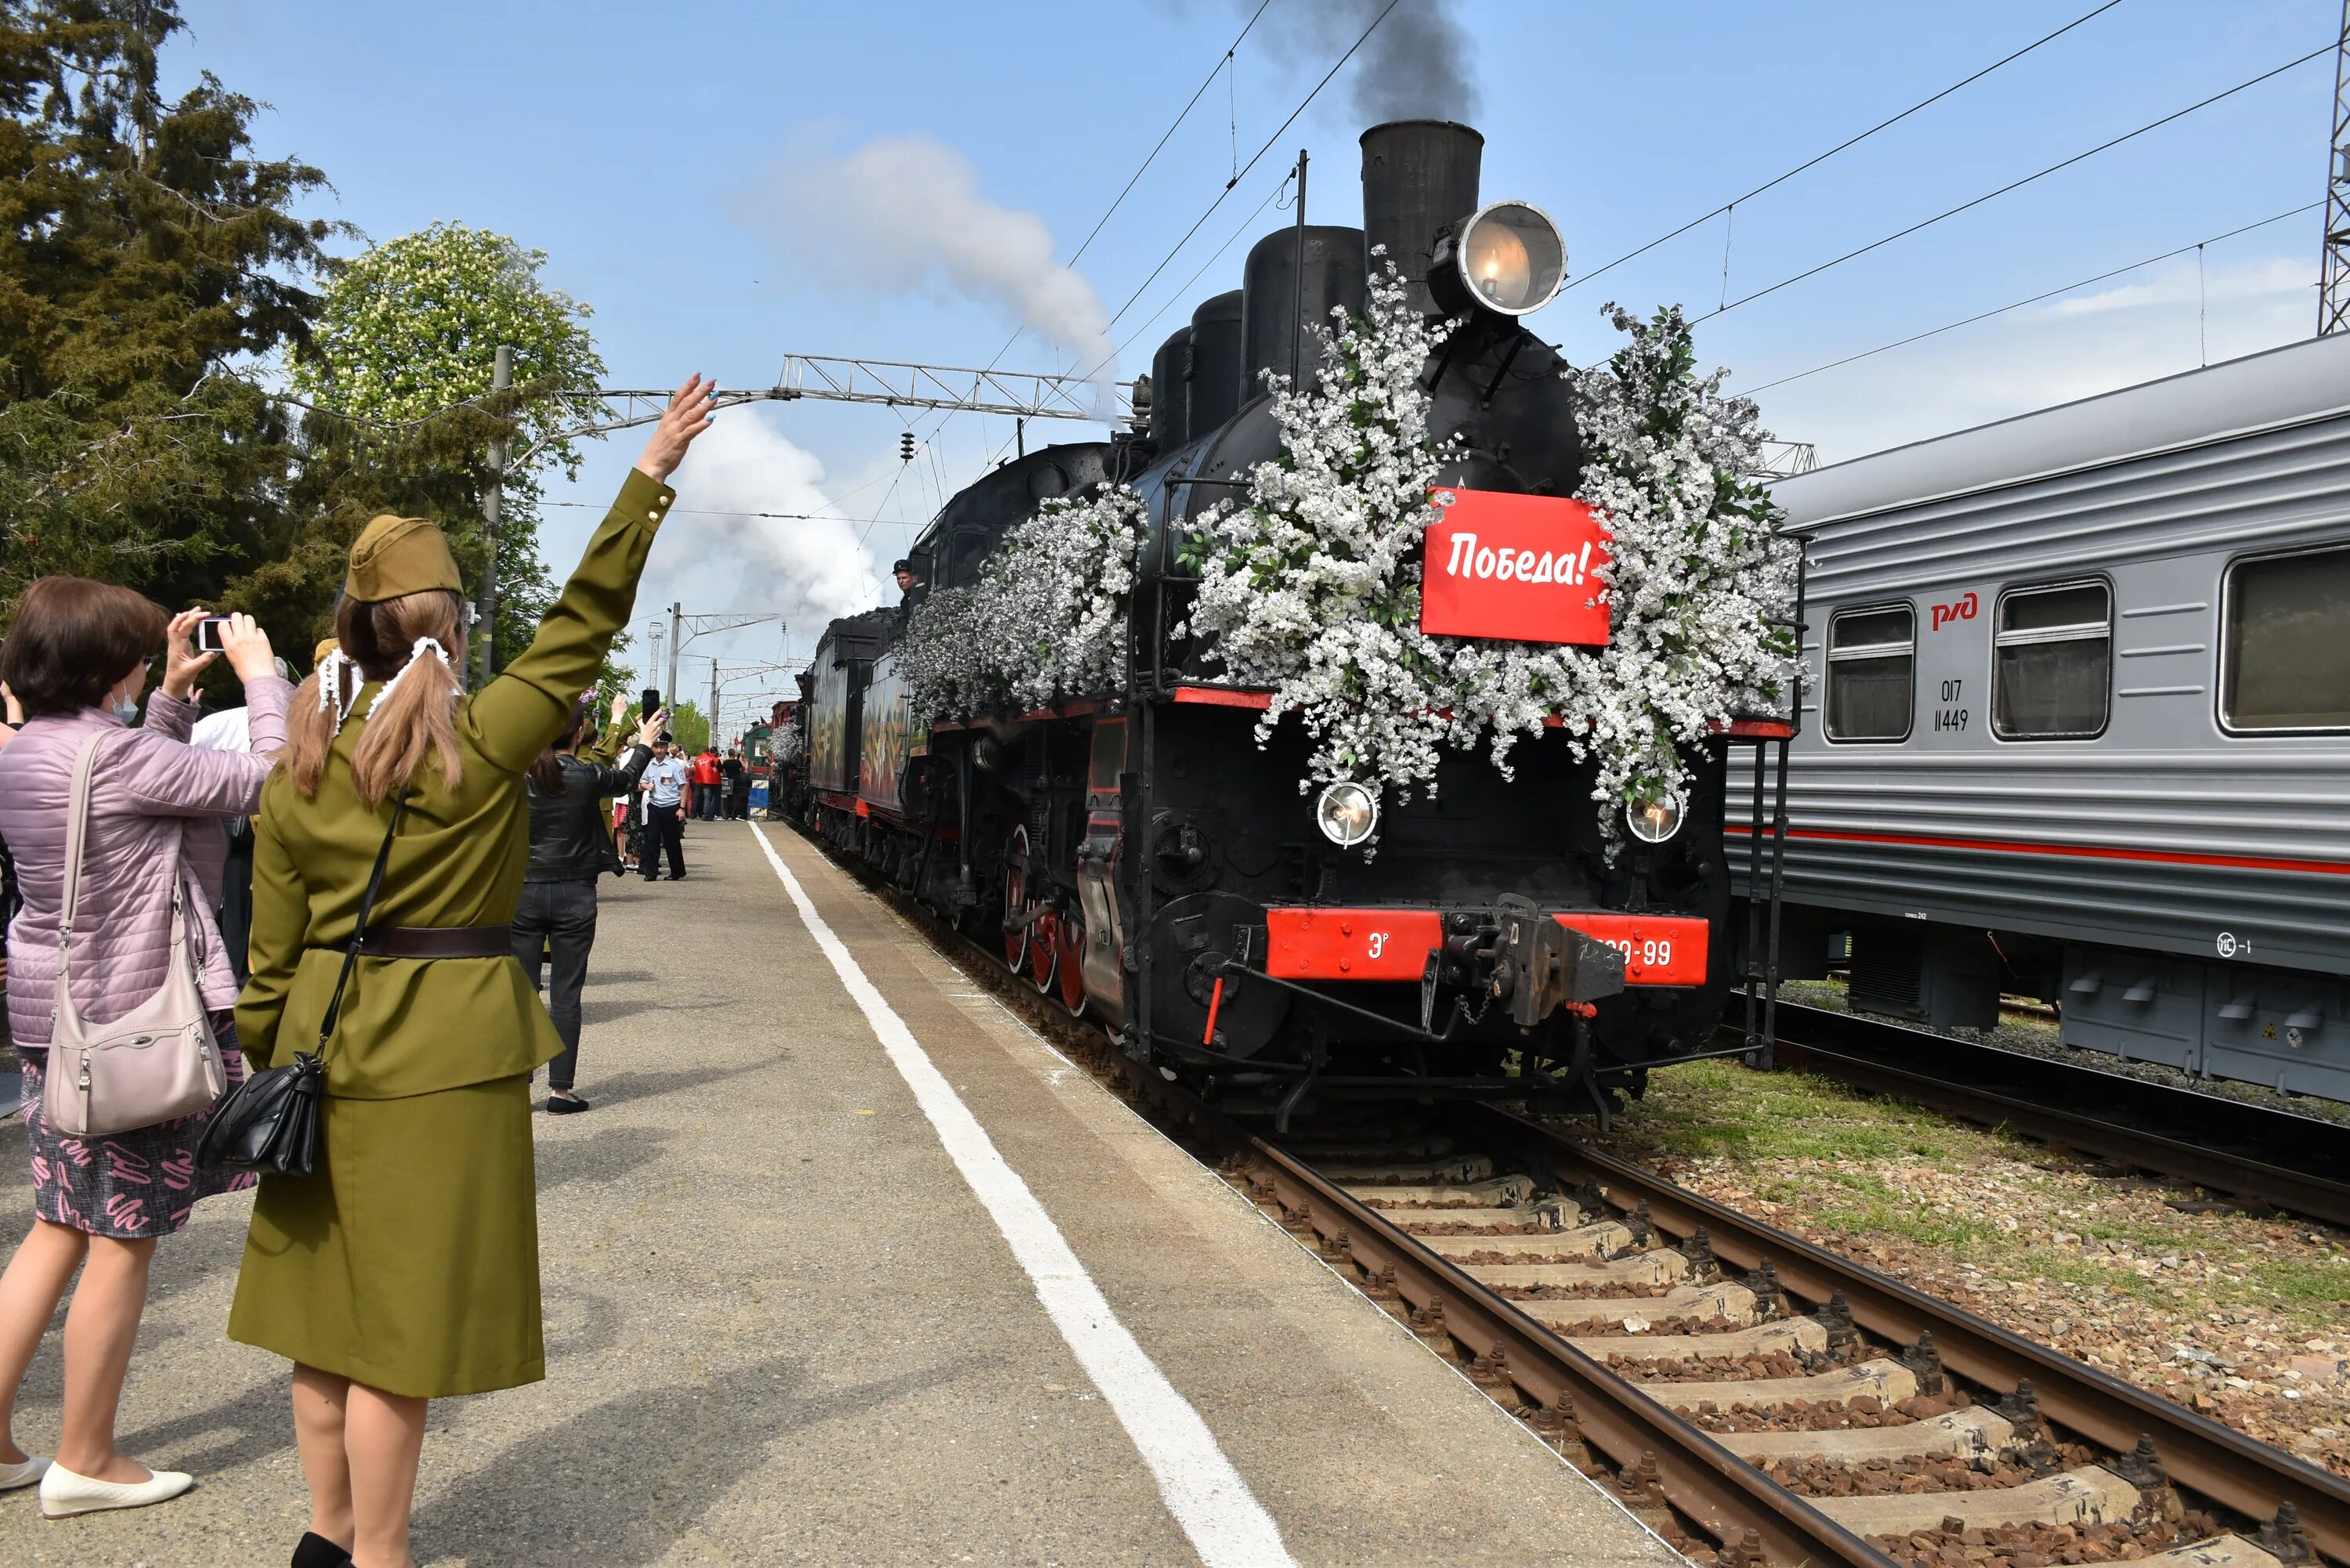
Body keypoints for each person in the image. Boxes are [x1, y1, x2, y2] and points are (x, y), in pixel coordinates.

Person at [228, 374, 714, 1568]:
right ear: (446, 622)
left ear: (353, 626)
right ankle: (385, 1558)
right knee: (401, 1335)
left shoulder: (298, 761)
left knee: (323, 1319)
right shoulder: (489, 736)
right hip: (444, 1056)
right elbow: (584, 620)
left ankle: (326, 1539)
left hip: (313, 1055)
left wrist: (266, 1055)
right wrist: (650, 474)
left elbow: (270, 950)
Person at [0, 591, 287, 1518]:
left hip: (60, 1023)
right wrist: (261, 677)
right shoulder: (120, 755)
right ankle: (86, 1455)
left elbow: (116, 789)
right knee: (123, 1236)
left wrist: (166, 694)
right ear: (103, 666)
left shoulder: (29, 748)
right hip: (133, 1025)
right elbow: (273, 782)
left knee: (56, 1225)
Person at [515, 693, 661, 1113]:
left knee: (521, 992)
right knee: (566, 994)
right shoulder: (588, 775)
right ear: (579, 733)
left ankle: (515, 1084)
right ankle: (560, 1091)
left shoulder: (519, 775)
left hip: (523, 892)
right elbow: (627, 779)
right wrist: (646, 743)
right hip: (575, 895)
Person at [637, 737, 689, 880]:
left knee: (671, 841)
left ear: (667, 748)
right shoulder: (650, 765)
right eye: (656, 747)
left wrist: (681, 808)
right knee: (651, 839)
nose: (659, 750)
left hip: (671, 806)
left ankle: (677, 871)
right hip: (654, 806)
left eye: (662, 747)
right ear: (653, 749)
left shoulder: (674, 766)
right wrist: (645, 786)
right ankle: (651, 873)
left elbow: (683, 787)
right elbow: (642, 781)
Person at [690, 744, 720, 821]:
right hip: (707, 780)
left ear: (702, 751)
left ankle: (693, 814)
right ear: (708, 751)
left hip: (698, 780)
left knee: (696, 797)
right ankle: (705, 815)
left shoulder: (697, 759)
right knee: (707, 798)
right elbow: (715, 770)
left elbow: (694, 769)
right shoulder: (711, 759)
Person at [720, 747, 746, 819]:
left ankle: (728, 814)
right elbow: (743, 769)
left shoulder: (726, 762)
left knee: (729, 798)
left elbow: (722, 770)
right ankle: (735, 814)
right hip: (737, 781)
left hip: (729, 781)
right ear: (734, 754)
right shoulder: (738, 762)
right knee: (737, 797)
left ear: (728, 754)